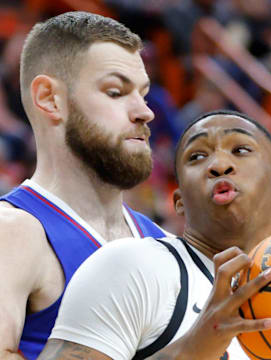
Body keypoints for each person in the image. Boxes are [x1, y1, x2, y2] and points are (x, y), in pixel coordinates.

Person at [39, 109, 271, 359]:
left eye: (240, 150)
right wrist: (192, 351)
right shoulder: (135, 267)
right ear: (179, 201)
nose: (219, 165)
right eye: (197, 156)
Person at [0, 11, 175, 360]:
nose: (144, 111)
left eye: (143, 94)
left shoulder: (165, 244)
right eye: (116, 91)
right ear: (50, 99)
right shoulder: (14, 232)